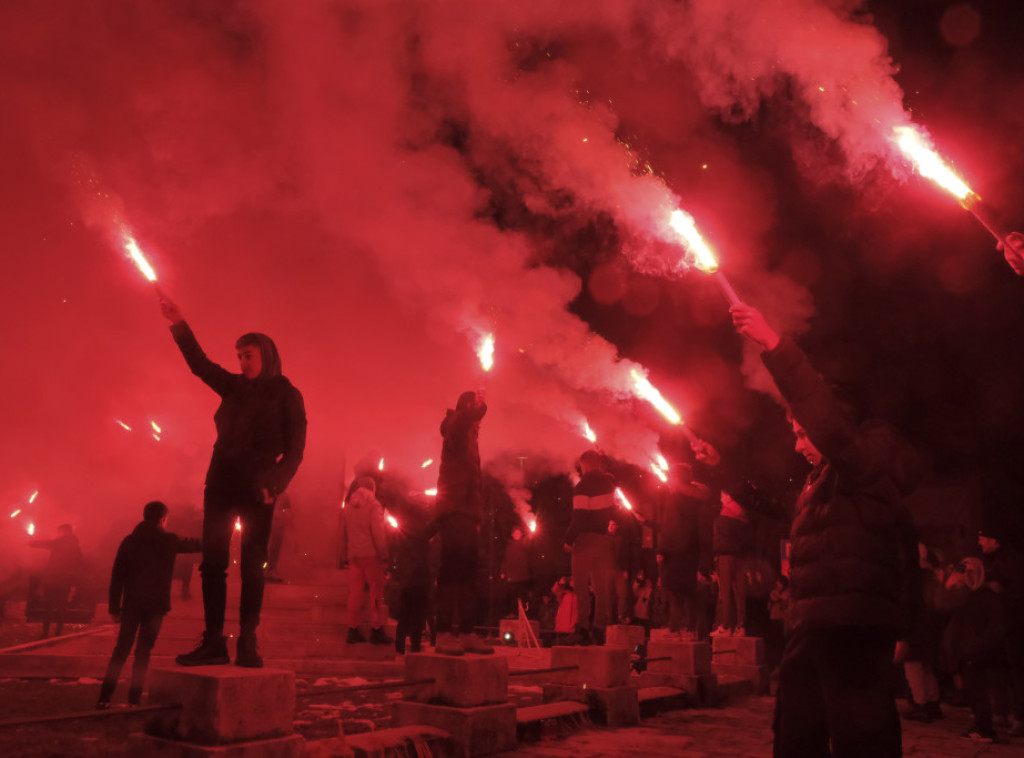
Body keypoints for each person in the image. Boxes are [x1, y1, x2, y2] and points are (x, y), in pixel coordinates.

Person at [732, 302, 921, 758]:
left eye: (802, 433)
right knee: (796, 736)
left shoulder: (864, 463)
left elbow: (830, 426)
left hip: (850, 629)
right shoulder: (822, 482)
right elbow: (786, 514)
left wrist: (774, 345)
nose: (799, 445)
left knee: (861, 739)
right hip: (811, 627)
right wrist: (724, 474)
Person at [159, 295, 307, 668]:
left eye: (249, 355)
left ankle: (248, 641)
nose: (242, 362)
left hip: (259, 489)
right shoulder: (235, 387)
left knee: (253, 564)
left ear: (266, 356)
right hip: (221, 484)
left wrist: (275, 485)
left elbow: (295, 450)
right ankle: (213, 641)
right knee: (212, 563)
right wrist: (178, 323)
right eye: (239, 356)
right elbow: (200, 365)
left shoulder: (287, 395)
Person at [98, 502, 201, 709]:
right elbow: (197, 544)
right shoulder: (169, 540)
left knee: (121, 650)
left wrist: (113, 607)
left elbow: (117, 577)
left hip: (132, 604)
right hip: (155, 606)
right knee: (143, 653)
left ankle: (104, 698)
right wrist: (224, 535)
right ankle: (134, 700)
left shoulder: (129, 542)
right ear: (163, 518)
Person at [433, 389, 492, 655]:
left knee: (468, 577)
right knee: (452, 575)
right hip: (454, 512)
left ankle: (467, 632)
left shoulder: (470, 437)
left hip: (467, 515)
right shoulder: (456, 432)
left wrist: (477, 516)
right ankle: (445, 633)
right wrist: (471, 412)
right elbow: (458, 425)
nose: (478, 424)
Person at [946, 558, 1005, 743]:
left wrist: (979, 647)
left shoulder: (987, 597)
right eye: (965, 571)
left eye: (971, 571)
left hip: (980, 653)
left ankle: (985, 728)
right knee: (973, 691)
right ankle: (981, 725)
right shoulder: (966, 596)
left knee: (980, 691)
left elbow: (995, 626)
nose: (967, 575)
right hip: (967, 652)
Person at [564, 450, 618, 645]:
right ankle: (599, 628)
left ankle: (583, 628)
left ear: (585, 464)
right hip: (603, 540)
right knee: (601, 586)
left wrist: (569, 539)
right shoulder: (609, 486)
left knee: (581, 586)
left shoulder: (582, 486)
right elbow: (614, 512)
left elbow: (579, 516)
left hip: (585, 540)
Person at [977, 525, 1024, 736]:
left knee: (1017, 672)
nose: (980, 543)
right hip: (1000, 626)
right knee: (1001, 670)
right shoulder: (996, 561)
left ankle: (1020, 718)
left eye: (984, 539)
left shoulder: (1011, 562)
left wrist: (999, 590)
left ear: (995, 541)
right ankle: (1003, 713)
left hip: (1013, 625)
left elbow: (1016, 591)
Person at [657, 463, 709, 640]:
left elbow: (669, 526)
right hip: (692, 550)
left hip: (676, 552)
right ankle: (691, 630)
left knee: (675, 592)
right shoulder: (696, 498)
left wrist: (662, 550)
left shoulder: (675, 500)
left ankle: (674, 630)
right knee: (689, 592)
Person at [339, 477, 390, 645]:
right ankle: (376, 629)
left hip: (354, 555)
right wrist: (383, 554)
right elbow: (378, 533)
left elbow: (343, 533)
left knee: (355, 592)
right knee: (376, 592)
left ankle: (352, 629)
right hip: (371, 554)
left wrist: (344, 554)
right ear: (372, 489)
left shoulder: (348, 507)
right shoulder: (374, 506)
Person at [29, 524, 85, 638]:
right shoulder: (76, 547)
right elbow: (79, 566)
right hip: (65, 582)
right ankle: (58, 633)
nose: (58, 534)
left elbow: (45, 543)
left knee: (48, 607)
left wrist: (32, 542)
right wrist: (75, 583)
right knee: (61, 607)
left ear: (63, 531)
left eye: (59, 532)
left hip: (52, 580)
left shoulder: (58, 543)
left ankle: (45, 633)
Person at [501, 527, 531, 617]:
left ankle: (525, 612)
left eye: (519, 533)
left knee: (523, 596)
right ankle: (513, 613)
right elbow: (505, 559)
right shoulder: (509, 546)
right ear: (513, 534)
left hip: (522, 576)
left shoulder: (524, 543)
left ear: (521, 534)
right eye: (515, 533)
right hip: (512, 576)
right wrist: (503, 571)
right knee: (513, 596)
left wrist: (530, 534)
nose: (517, 535)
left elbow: (528, 543)